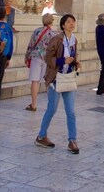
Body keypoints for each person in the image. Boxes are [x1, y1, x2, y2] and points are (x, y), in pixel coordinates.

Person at [36, 13, 81, 154]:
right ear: (63, 25)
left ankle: (72, 140)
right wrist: (62, 61)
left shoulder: (74, 40)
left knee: (71, 111)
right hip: (56, 78)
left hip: (67, 78)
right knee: (52, 109)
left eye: (73, 21)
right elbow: (48, 57)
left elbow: (74, 56)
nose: (71, 24)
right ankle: (41, 136)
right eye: (68, 22)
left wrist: (76, 63)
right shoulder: (56, 39)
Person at [24, 13, 56, 112]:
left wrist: (27, 56)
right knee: (48, 81)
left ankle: (33, 104)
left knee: (35, 80)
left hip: (36, 56)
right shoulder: (53, 34)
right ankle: (51, 104)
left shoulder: (37, 31)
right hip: (47, 59)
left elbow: (31, 44)